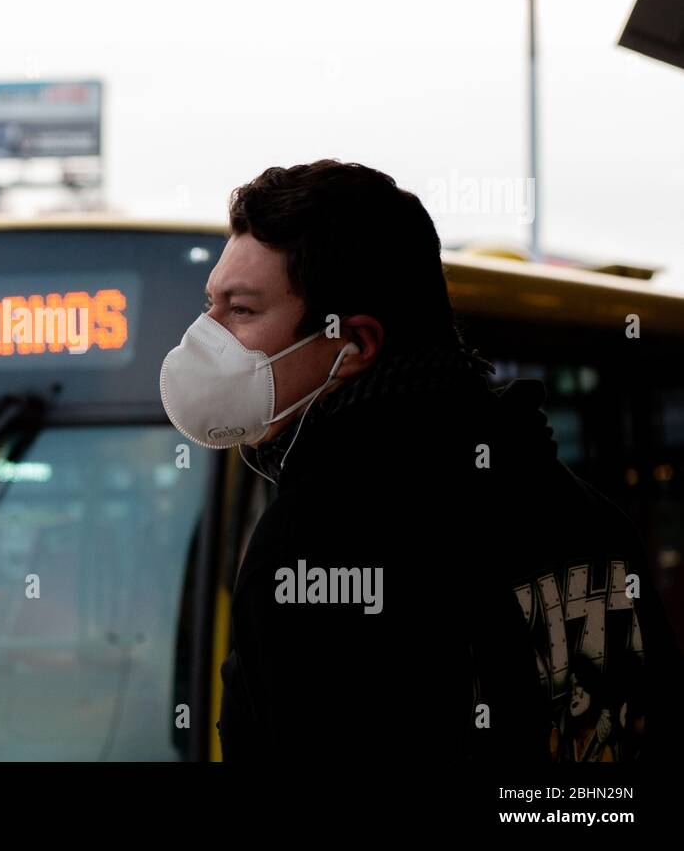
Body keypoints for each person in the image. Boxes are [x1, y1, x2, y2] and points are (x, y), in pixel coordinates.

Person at [158, 159, 684, 762]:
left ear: (353, 344)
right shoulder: (589, 517)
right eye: (211, 305)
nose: (205, 334)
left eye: (241, 311)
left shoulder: (318, 539)